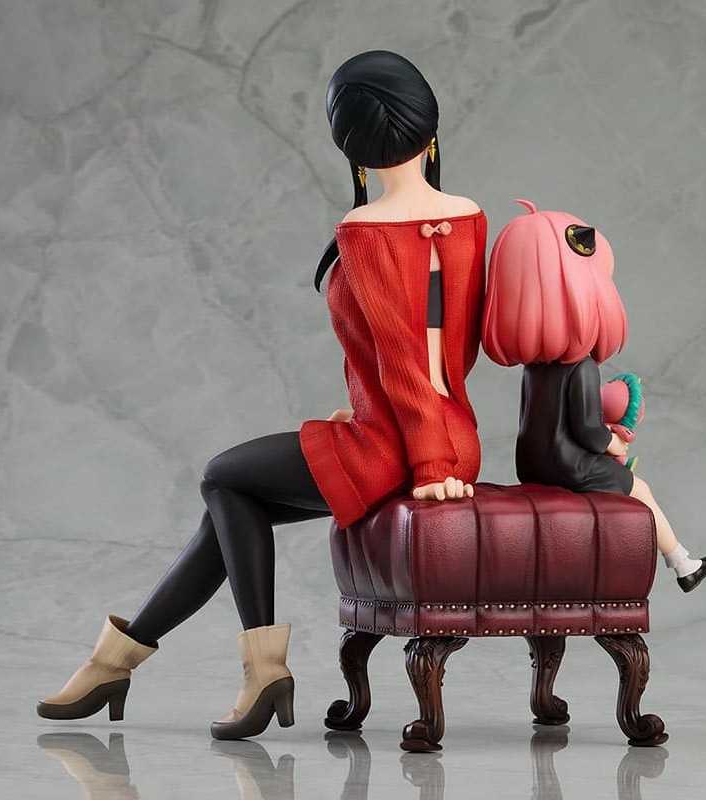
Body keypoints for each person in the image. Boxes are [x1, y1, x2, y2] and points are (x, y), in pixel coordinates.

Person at [37, 50, 487, 740]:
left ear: (350, 148)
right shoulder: (470, 217)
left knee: (222, 477)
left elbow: (404, 358)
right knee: (233, 502)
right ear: (431, 131)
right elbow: (450, 349)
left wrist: (428, 465)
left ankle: (253, 669)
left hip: (405, 451)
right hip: (445, 436)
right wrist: (419, 436)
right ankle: (119, 664)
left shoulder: (365, 231)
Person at [481, 199, 706, 593]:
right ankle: (682, 563)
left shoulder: (534, 369)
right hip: (569, 467)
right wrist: (614, 443)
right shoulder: (582, 367)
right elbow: (588, 432)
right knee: (639, 489)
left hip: (532, 464)